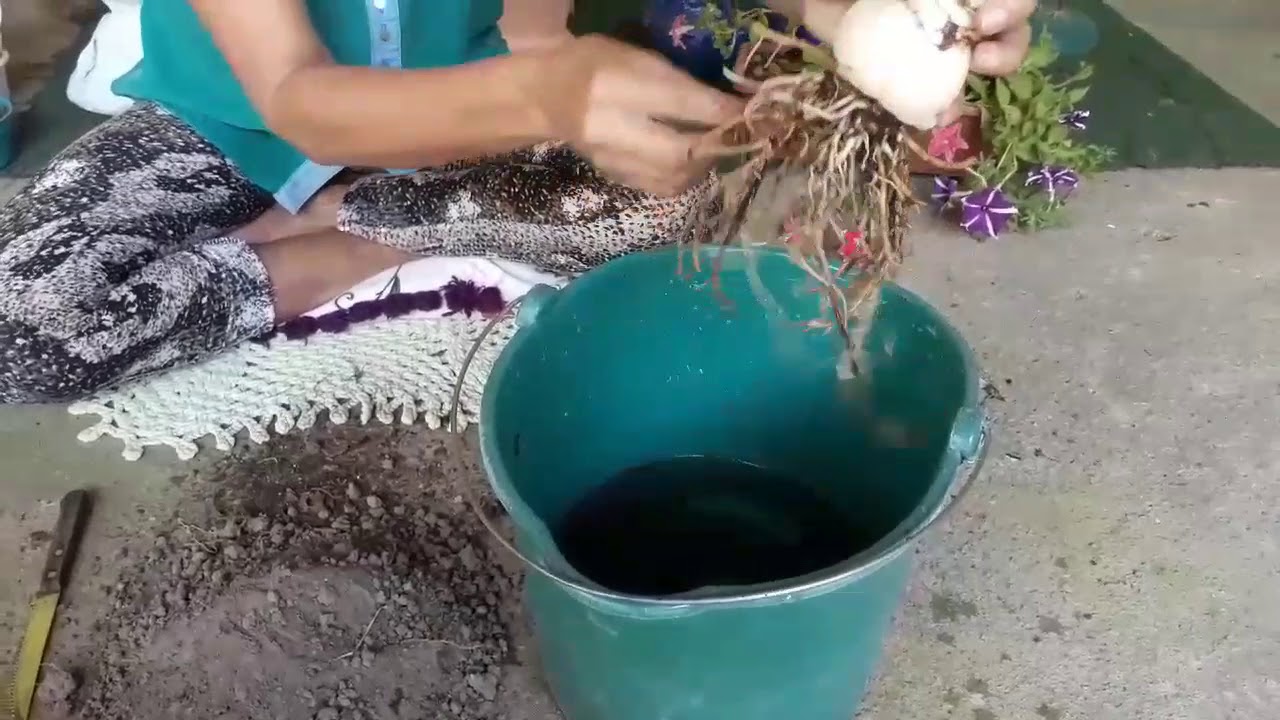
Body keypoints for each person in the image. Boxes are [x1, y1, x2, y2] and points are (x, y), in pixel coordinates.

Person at [0, 0, 1035, 405]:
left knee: (659, 215)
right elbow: (297, 99)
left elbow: (540, 41)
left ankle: (367, 234)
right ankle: (399, 221)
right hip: (227, 129)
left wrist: (870, 13)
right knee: (26, 324)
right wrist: (548, 91)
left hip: (478, 121)